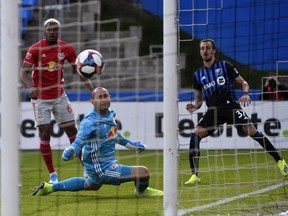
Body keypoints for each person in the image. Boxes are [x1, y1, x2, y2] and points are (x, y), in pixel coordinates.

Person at [185, 39, 288, 185]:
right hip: (213, 110)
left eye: (208, 48)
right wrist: (194, 107)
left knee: (253, 132)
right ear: (200, 51)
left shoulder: (225, 66)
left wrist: (245, 94)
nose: (205, 51)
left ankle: (281, 163)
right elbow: (199, 100)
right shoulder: (197, 75)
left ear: (214, 51)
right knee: (195, 135)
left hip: (230, 106)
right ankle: (195, 175)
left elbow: (243, 82)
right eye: (202, 48)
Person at [32, 87, 164, 197]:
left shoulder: (110, 113)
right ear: (92, 101)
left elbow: (113, 135)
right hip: (101, 168)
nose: (104, 99)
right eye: (99, 97)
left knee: (91, 185)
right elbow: (78, 142)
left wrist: (132, 145)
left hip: (101, 166)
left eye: (106, 96)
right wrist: (71, 151)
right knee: (143, 173)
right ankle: (142, 192)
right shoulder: (89, 122)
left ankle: (50, 188)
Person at [20, 18, 95, 184]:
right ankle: (52, 174)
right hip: (40, 98)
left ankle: (86, 169)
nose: (52, 32)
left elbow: (79, 72)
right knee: (45, 133)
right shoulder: (36, 49)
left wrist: (92, 90)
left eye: (55, 29)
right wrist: (30, 87)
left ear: (58, 31)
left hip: (59, 96)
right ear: (45, 31)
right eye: (49, 29)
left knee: (72, 131)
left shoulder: (66, 48)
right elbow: (23, 72)